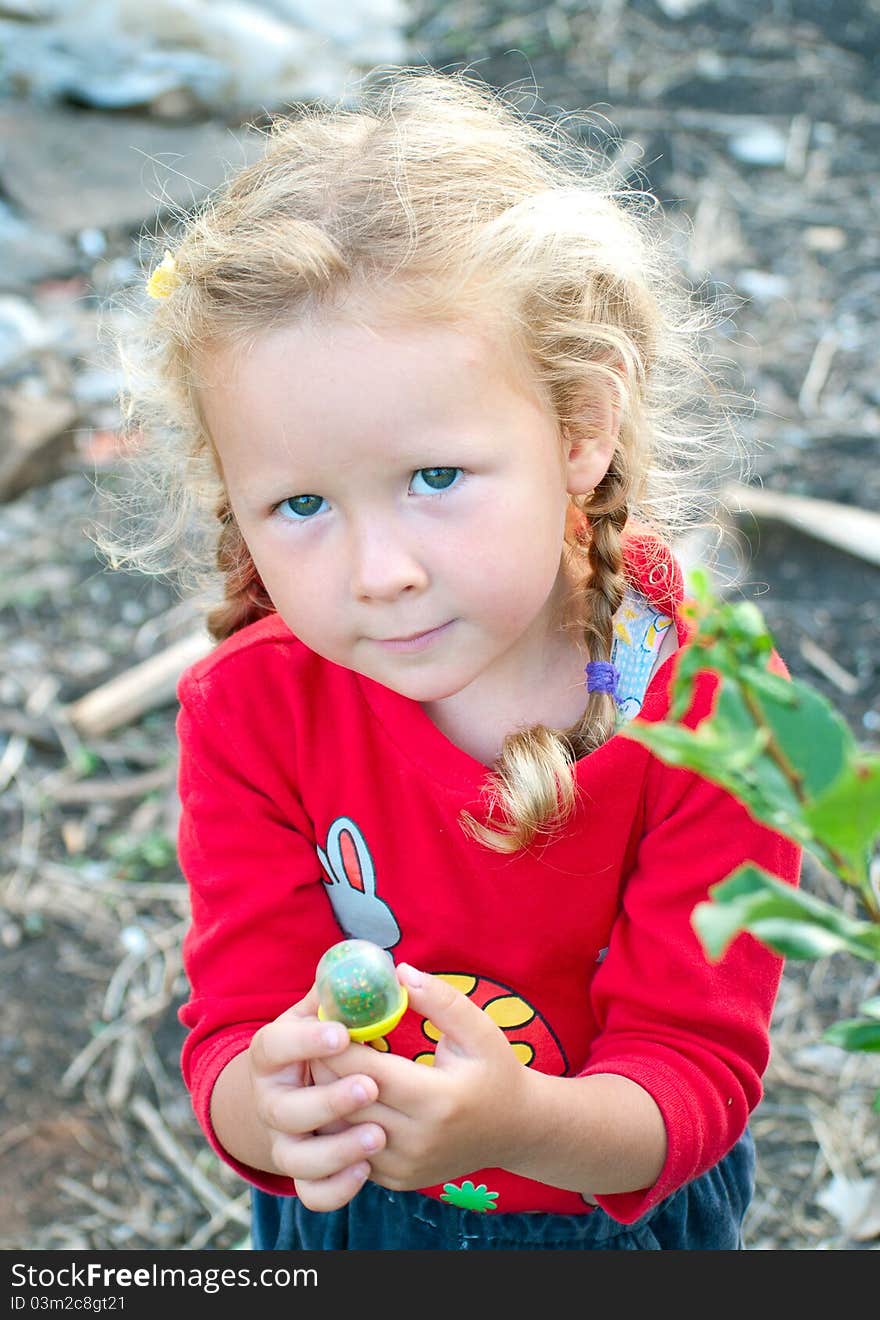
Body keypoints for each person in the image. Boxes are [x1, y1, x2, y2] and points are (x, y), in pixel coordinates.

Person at [114, 67, 802, 1250]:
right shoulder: (254, 711)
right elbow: (235, 1020)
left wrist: (521, 1122)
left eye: (435, 479)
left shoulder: (712, 711)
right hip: (355, 1221)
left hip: (609, 1216)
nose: (378, 570)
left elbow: (694, 1069)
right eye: (300, 504)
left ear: (579, 427)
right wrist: (270, 1113)